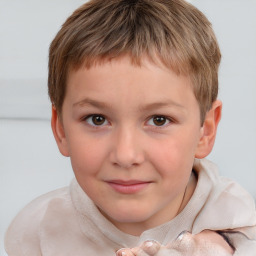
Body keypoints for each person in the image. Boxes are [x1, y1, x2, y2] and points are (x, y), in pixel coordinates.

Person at [4, 0, 256, 255]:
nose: (125, 155)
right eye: (97, 119)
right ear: (60, 129)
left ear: (207, 129)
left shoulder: (241, 231)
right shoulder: (36, 232)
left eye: (159, 120)